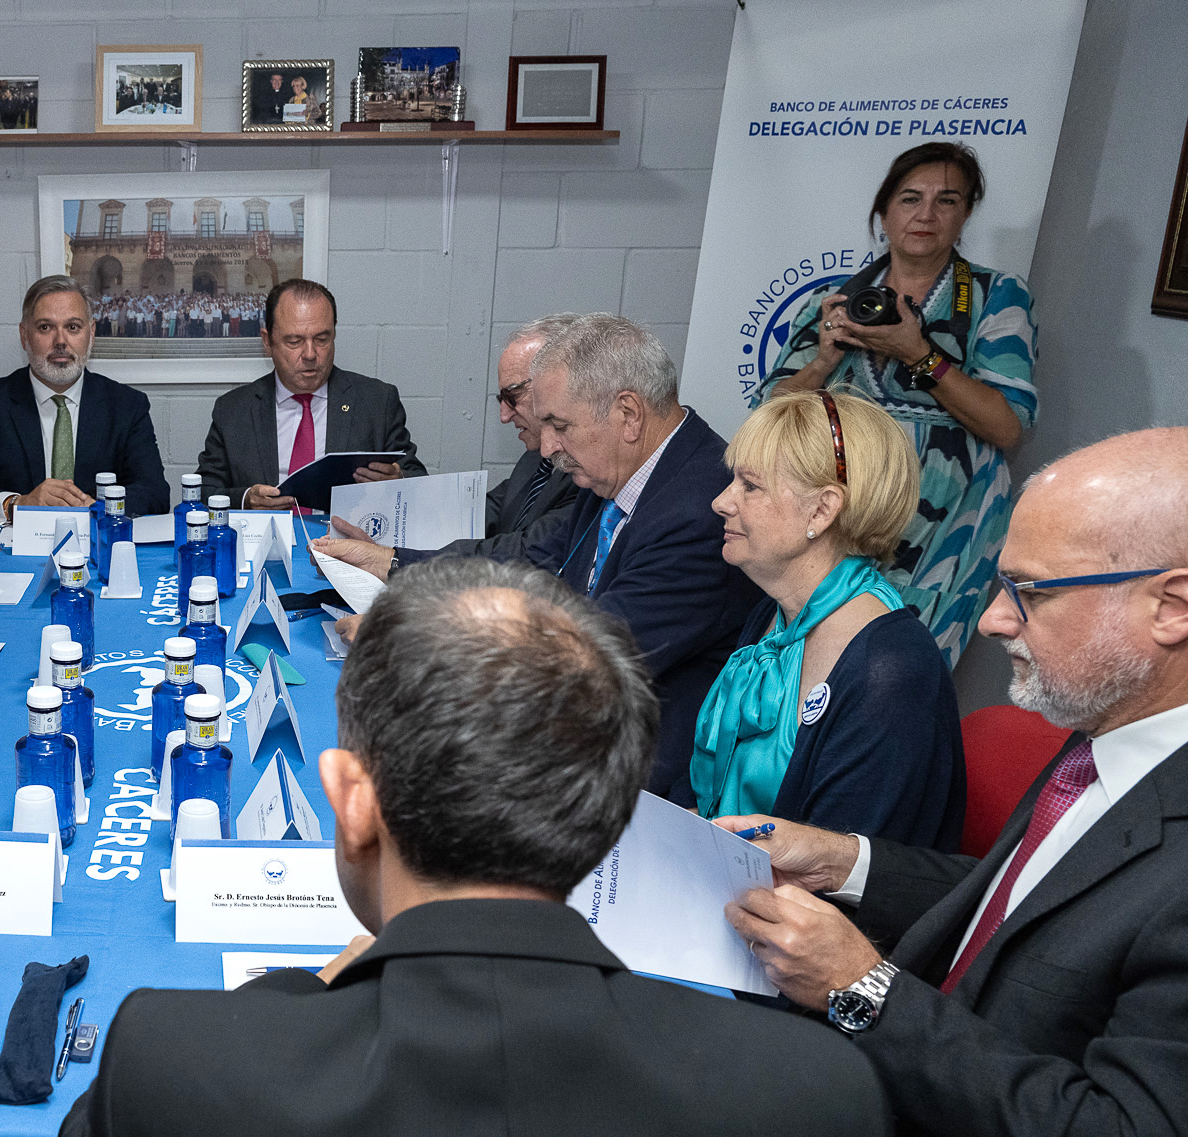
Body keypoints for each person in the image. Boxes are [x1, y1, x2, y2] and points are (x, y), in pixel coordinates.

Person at [57, 556, 891, 1137]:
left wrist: (298, 994)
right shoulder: (822, 1097)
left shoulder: (177, 1065)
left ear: (351, 801)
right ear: (608, 813)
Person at [721, 427, 1188, 1137]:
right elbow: (1024, 900)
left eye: (1031, 592)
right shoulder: (1118, 740)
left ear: (1174, 606)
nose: (991, 620)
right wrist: (842, 858)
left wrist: (864, 993)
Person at [332, 312, 757, 797]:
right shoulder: (619, 467)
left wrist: (412, 634)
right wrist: (395, 566)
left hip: (626, 783)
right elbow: (531, 561)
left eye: (560, 425)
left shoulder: (699, 512)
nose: (548, 446)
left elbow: (588, 657)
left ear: (629, 415)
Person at [755, 142, 1038, 666]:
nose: (926, 214)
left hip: (948, 520)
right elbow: (769, 415)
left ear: (967, 213)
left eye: (947, 201)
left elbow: (1007, 426)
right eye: (910, 199)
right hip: (839, 508)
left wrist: (919, 355)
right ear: (884, 212)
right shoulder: (842, 297)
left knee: (899, 671)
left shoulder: (995, 295)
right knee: (805, 660)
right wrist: (820, 364)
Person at [685, 389, 965, 850]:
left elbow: (848, 874)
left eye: (749, 486)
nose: (721, 501)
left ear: (822, 510)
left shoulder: (890, 669)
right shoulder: (773, 616)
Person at [321, 314, 579, 576]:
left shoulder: (586, 471)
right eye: (501, 399)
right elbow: (473, 515)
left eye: (512, 396)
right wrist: (380, 542)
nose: (503, 415)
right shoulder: (535, 459)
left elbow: (525, 554)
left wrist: (392, 561)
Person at [0, 275, 170, 526]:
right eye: (45, 327)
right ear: (24, 335)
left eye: (73, 327)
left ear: (91, 333)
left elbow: (155, 493)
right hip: (13, 554)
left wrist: (101, 509)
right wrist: (16, 505)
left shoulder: (127, 406)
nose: (61, 341)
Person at [195, 278, 426, 510]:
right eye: (294, 341)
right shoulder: (234, 410)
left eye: (322, 339)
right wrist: (245, 499)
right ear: (268, 341)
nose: (310, 354)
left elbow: (418, 477)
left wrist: (398, 481)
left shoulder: (377, 401)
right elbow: (204, 490)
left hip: (346, 542)